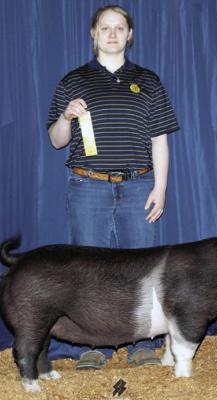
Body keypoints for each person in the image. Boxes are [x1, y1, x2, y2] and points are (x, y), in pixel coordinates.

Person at [47, 5, 179, 369]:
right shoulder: (73, 80)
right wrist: (65, 116)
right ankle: (94, 347)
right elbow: (57, 140)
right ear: (93, 33)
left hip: (139, 186)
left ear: (129, 35)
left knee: (140, 270)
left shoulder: (148, 80)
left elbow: (160, 140)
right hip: (88, 187)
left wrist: (161, 187)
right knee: (89, 271)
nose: (112, 33)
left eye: (119, 27)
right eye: (105, 27)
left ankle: (138, 344)